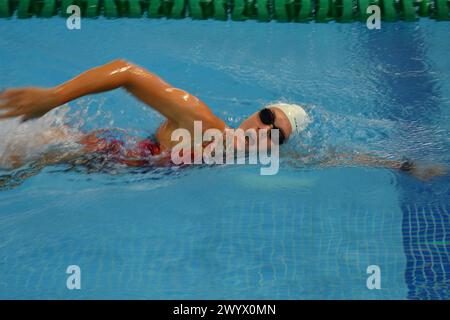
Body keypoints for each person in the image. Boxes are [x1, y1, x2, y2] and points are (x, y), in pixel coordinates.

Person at [0, 60, 446, 180]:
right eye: (268, 117)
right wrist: (51, 98)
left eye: (277, 135)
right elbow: (127, 71)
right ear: (254, 112)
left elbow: (334, 158)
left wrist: (405, 166)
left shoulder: (234, 156)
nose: (266, 130)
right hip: (62, 145)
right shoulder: (204, 122)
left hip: (64, 163)